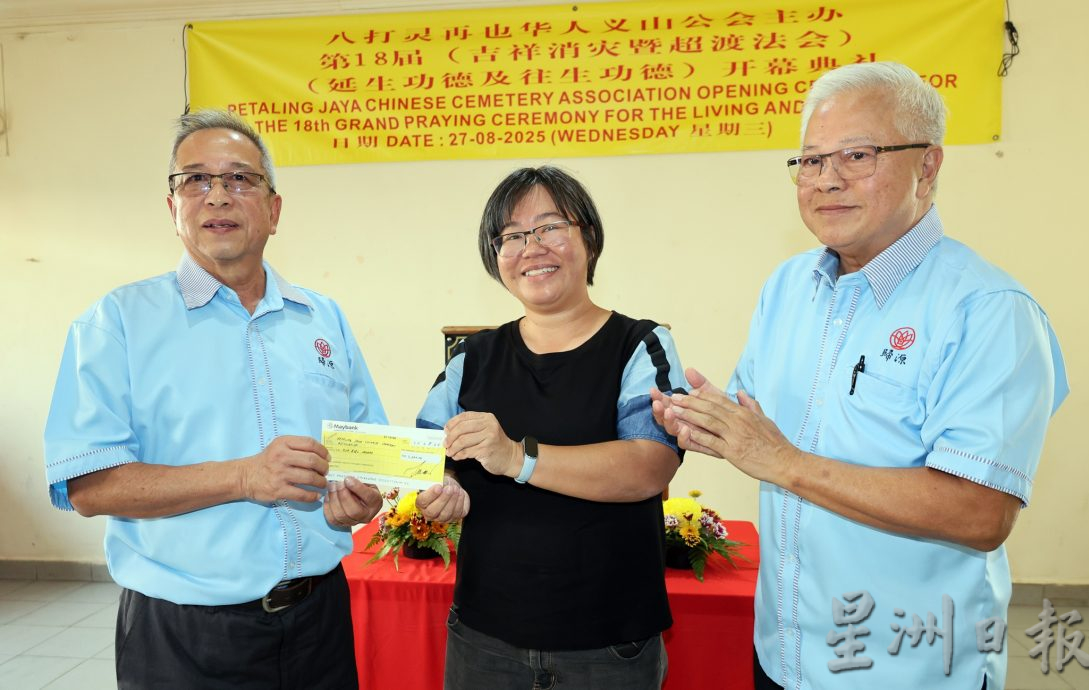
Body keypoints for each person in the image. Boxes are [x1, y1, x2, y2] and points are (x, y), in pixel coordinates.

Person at [652, 62, 1068, 690]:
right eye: (811, 161)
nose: (827, 180)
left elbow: (981, 513)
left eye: (857, 155)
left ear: (927, 167)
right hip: (783, 654)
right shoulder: (789, 287)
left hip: (910, 669)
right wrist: (702, 420)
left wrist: (784, 461)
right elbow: (757, 423)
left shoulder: (987, 311)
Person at [43, 109, 387, 689]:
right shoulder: (116, 323)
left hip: (319, 623)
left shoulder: (322, 319)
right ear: (171, 205)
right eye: (196, 180)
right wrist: (245, 478)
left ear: (273, 210)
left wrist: (360, 500)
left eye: (239, 180)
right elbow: (89, 486)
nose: (218, 197)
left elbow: (367, 455)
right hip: (185, 639)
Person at [413, 166, 687, 689]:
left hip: (609, 644)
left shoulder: (640, 345)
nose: (532, 247)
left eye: (550, 227)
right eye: (512, 235)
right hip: (484, 637)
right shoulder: (471, 358)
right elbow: (424, 458)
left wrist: (518, 457)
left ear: (589, 238)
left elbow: (649, 466)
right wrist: (440, 489)